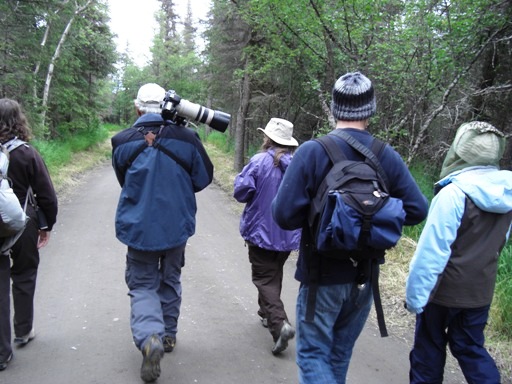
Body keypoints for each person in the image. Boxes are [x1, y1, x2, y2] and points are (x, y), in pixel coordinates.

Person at [271, 72, 428, 383]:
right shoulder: (386, 156)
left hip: (321, 276)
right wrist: (376, 216)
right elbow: (417, 209)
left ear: (334, 108)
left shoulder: (312, 152)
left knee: (313, 355)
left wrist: (319, 214)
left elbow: (283, 215)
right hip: (364, 280)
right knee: (338, 355)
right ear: (370, 111)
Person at [111, 83, 214, 383]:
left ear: (137, 107)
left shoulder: (121, 142)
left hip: (138, 227)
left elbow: (123, 179)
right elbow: (204, 178)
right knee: (170, 278)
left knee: (142, 285)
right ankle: (167, 336)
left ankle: (148, 338)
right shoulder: (188, 139)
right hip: (176, 227)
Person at [405, 121, 512, 384]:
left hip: (442, 294)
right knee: (471, 350)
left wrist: (415, 297)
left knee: (427, 350)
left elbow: (432, 252)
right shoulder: (507, 194)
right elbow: (500, 241)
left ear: (460, 150)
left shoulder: (454, 193)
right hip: (479, 293)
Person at [233, 118, 301, 355]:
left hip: (261, 232)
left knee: (264, 278)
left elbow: (241, 192)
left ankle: (279, 324)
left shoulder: (259, 161)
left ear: (268, 138)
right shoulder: (298, 166)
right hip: (288, 233)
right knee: (273, 273)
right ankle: (266, 313)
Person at [0, 98, 58, 371]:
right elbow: (46, 194)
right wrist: (47, 225)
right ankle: (22, 330)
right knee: (24, 275)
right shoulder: (26, 153)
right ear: (18, 120)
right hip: (23, 224)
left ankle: (2, 351)